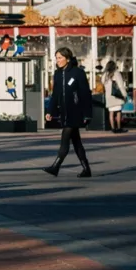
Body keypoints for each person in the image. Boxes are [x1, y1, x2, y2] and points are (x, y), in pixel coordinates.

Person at [43, 47, 92, 178]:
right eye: (56, 58)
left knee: (65, 138)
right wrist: (50, 111)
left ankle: (56, 166)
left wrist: (87, 113)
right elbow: (55, 94)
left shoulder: (78, 73)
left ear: (67, 58)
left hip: (76, 111)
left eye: (59, 58)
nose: (57, 60)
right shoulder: (58, 74)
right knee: (76, 142)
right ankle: (86, 169)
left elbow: (85, 93)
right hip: (64, 112)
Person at [102, 61, 127, 134]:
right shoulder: (116, 73)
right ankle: (119, 128)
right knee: (118, 112)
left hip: (109, 96)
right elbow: (120, 85)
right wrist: (124, 95)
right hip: (117, 96)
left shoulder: (105, 75)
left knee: (111, 113)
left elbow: (103, 83)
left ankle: (113, 128)